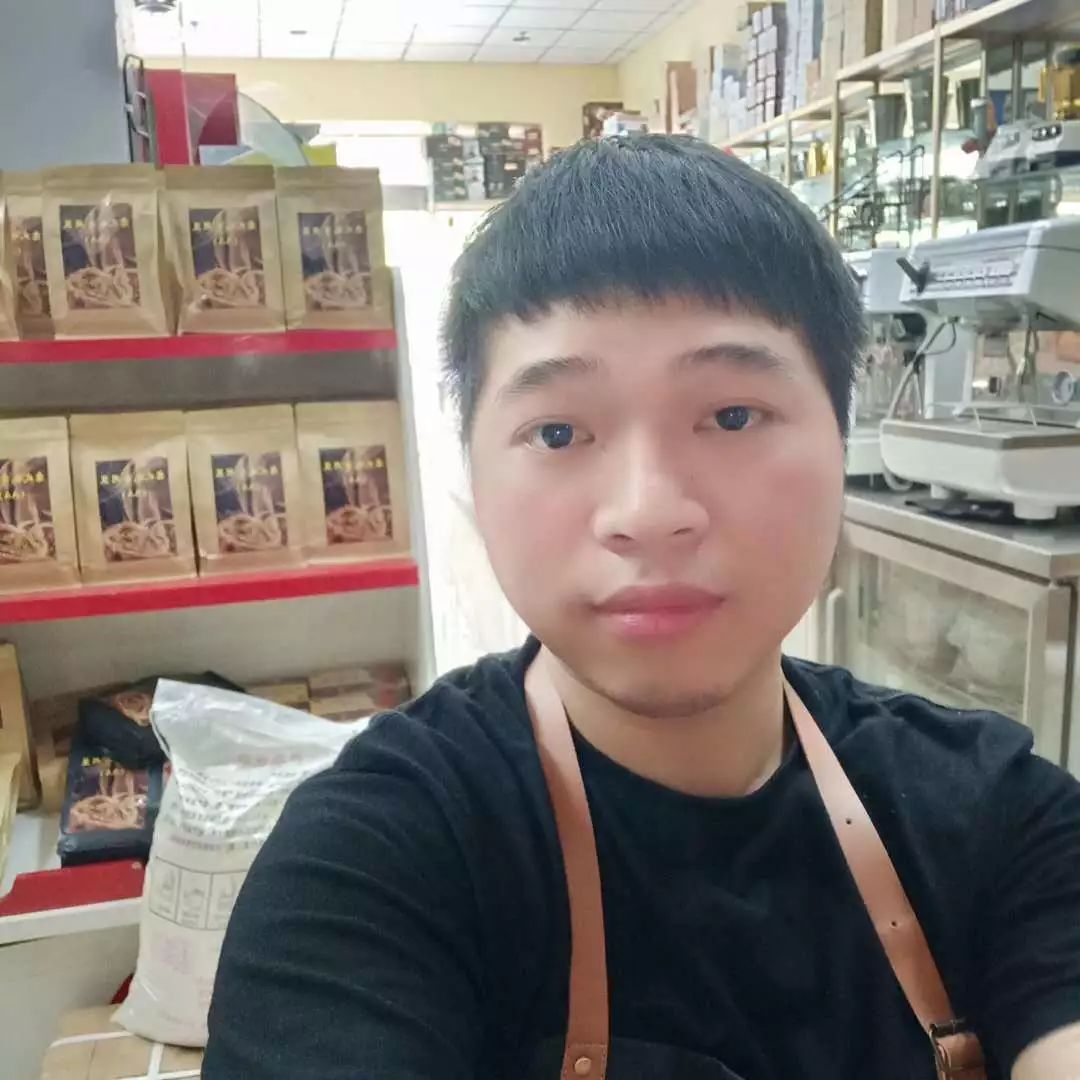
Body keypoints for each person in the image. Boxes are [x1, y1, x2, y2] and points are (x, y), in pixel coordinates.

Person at [202, 135, 1080, 1079]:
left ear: (842, 440)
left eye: (732, 416)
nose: (649, 512)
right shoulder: (376, 860)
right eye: (558, 431)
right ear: (472, 475)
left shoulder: (998, 817)